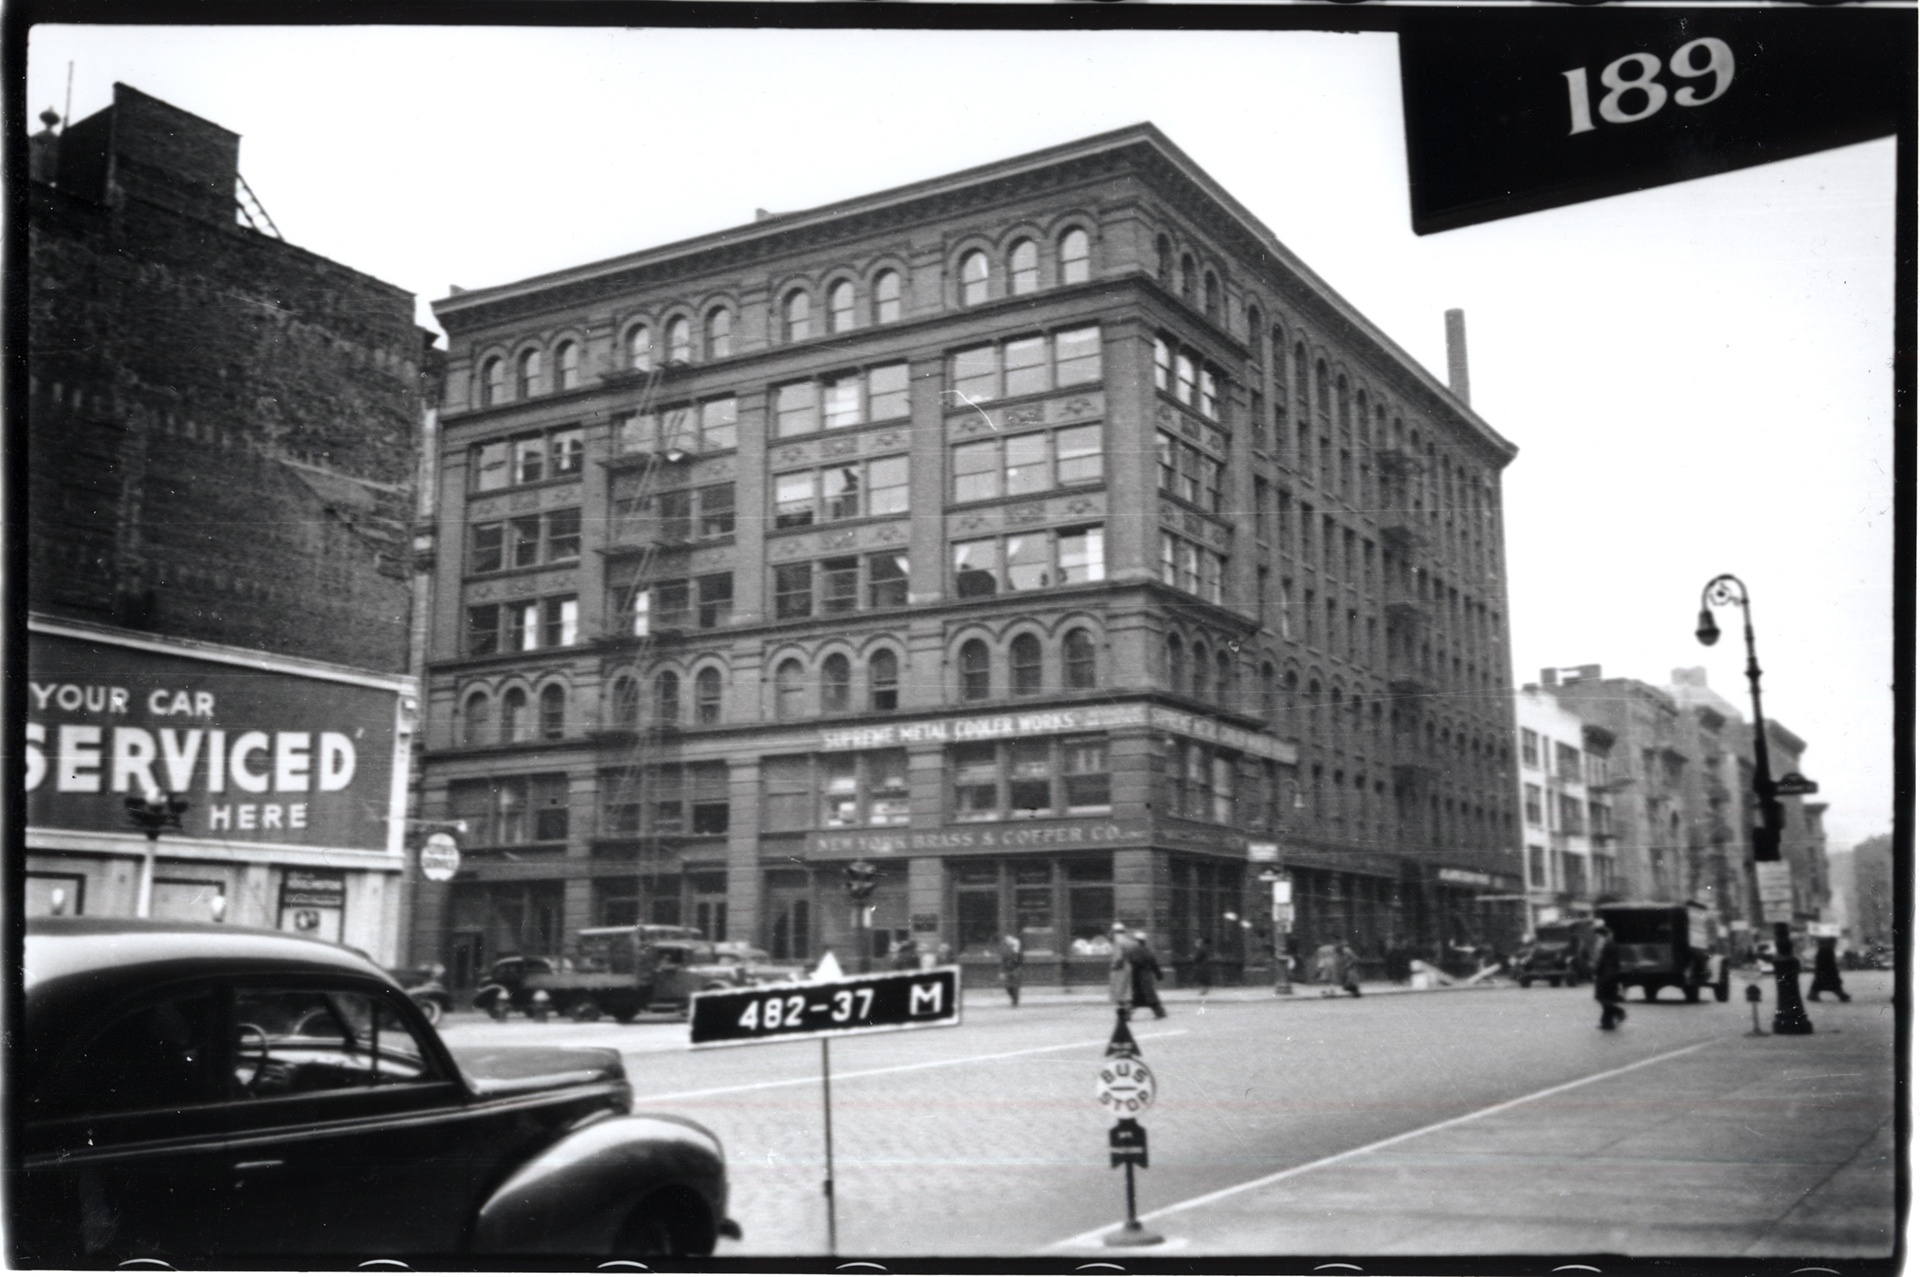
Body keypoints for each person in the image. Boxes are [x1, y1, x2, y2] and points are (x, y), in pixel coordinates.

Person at [1593, 923, 1626, 1029]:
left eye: (1598, 936)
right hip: (1607, 974)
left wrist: (1600, 974)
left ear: (1602, 935)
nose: (1597, 938)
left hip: (1607, 975)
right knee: (1605, 998)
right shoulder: (1608, 944)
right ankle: (1607, 1022)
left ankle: (1618, 1013)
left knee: (1603, 998)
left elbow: (1606, 962)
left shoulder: (1608, 945)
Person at [1131, 929, 1167, 1018]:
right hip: (1147, 976)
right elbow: (1154, 963)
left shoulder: (1135, 950)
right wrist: (1158, 974)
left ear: (1136, 940)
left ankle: (1126, 1015)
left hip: (1138, 977)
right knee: (1150, 996)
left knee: (1136, 997)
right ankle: (1160, 1013)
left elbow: (1135, 963)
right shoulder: (1147, 950)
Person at [1808, 936, 1851, 1002]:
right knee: (1834, 984)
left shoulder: (1823, 949)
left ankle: (1813, 994)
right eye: (1834, 943)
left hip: (1822, 971)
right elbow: (1830, 962)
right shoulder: (1828, 950)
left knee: (1818, 984)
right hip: (1828, 971)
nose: (1835, 945)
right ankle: (1842, 995)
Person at [999, 934, 1024, 1007]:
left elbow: (1019, 961)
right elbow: (1003, 961)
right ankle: (1013, 998)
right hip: (1007, 969)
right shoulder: (1006, 950)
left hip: (1016, 969)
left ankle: (1015, 1001)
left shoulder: (1019, 950)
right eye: (1007, 940)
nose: (1008, 941)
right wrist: (1002, 972)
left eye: (1009, 940)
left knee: (1015, 986)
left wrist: (1016, 951)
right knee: (1007, 986)